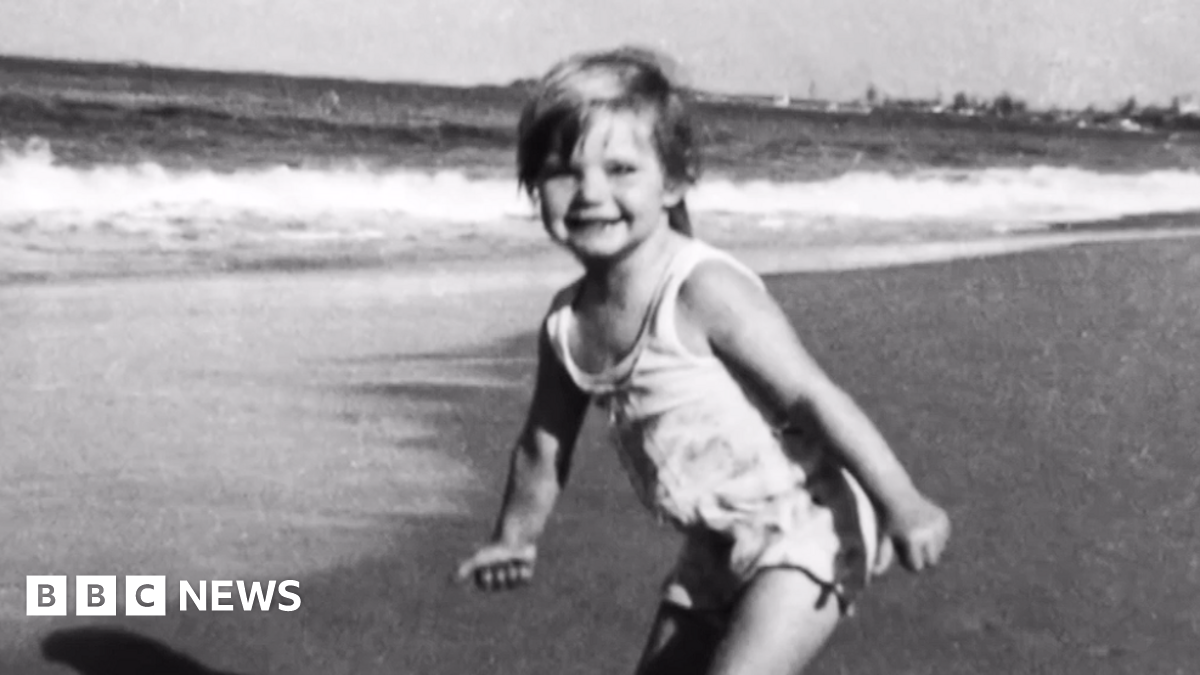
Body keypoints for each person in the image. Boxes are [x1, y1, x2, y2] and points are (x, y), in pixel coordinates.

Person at [456, 47, 951, 675]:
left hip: (808, 522)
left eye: (620, 168)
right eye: (562, 171)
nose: (591, 193)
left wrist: (903, 502)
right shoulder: (566, 324)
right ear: (532, 185)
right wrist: (515, 537)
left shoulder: (701, 289)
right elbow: (541, 448)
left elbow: (810, 397)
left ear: (675, 179)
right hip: (714, 545)